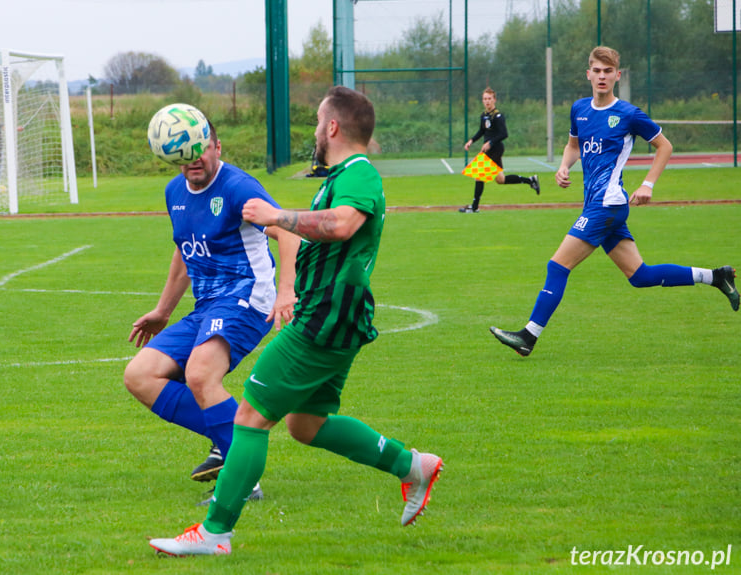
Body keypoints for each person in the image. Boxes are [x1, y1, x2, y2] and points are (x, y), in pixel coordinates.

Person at [148, 86, 444, 557]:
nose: (313, 132)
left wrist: (277, 217)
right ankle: (414, 467)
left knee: (248, 417)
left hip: (323, 318)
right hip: (334, 315)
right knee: (307, 425)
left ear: (332, 127)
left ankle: (215, 533)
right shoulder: (344, 173)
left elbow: (343, 224)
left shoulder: (360, 174)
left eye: (316, 123)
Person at [490, 46, 738, 357]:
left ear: (617, 76)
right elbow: (573, 146)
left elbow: (665, 146)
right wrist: (565, 165)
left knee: (557, 266)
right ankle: (716, 277)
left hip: (607, 205)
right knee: (640, 276)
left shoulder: (629, 114)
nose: (602, 76)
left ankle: (529, 336)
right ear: (588, 74)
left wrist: (647, 184)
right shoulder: (579, 109)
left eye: (609, 71)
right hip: (596, 204)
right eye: (597, 70)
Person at [123, 120, 300, 497]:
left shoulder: (238, 188)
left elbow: (288, 230)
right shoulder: (175, 192)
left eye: (201, 148)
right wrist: (163, 310)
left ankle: (243, 479)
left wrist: (286, 291)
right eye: (184, 152)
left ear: (217, 146)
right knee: (139, 375)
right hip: (207, 305)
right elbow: (184, 251)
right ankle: (233, 436)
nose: (194, 158)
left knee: (201, 374)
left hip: (248, 297)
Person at [460, 87, 540, 213]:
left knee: (478, 175)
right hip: (489, 150)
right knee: (500, 180)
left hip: (495, 149)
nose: (487, 101)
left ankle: (474, 207)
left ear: (494, 100)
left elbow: (504, 134)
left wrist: (490, 143)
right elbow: (482, 131)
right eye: (485, 99)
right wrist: (471, 140)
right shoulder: (484, 115)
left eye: (489, 99)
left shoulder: (498, 116)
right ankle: (530, 180)